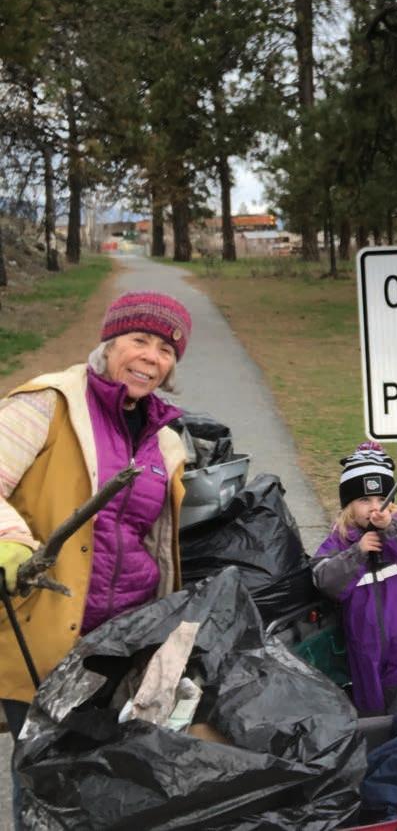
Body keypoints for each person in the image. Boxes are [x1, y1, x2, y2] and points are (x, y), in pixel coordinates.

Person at [0, 290, 192, 826]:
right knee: (44, 779)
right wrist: (10, 539)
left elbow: (153, 540)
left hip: (122, 645)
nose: (151, 357)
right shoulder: (49, 404)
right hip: (44, 631)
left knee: (106, 782)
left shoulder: (165, 443)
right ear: (108, 344)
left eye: (166, 349)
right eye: (139, 340)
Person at [312, 441, 397, 716]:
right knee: (375, 710)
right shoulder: (339, 541)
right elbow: (325, 581)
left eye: (381, 499)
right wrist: (357, 553)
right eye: (364, 500)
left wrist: (391, 529)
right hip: (366, 648)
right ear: (349, 505)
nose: (374, 507)